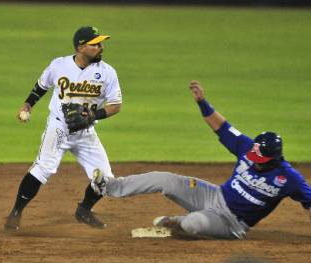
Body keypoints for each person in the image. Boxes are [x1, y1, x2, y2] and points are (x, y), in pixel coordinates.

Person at [90, 81, 311, 239]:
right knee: (164, 179)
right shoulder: (246, 147)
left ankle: (175, 223)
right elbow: (222, 127)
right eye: (253, 155)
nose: (254, 160)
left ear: (274, 157)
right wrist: (203, 102)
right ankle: (110, 187)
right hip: (214, 195)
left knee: (192, 223)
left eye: (260, 158)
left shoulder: (288, 178)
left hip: (231, 224)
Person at [4, 26, 122, 230]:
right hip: (59, 128)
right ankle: (16, 212)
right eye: (95, 44)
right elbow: (41, 86)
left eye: (101, 43)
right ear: (81, 47)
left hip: (86, 132)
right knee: (42, 168)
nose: (101, 47)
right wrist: (28, 104)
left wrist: (95, 115)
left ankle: (84, 210)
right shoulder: (59, 65)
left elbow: (115, 105)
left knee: (105, 179)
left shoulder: (107, 72)